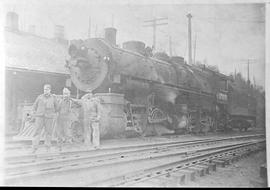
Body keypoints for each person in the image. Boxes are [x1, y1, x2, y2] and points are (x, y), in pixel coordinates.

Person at [31, 84, 58, 153]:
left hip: (49, 118)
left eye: (47, 89)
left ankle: (48, 147)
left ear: (50, 90)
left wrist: (53, 114)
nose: (45, 91)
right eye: (44, 89)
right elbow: (34, 106)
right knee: (37, 132)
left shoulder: (53, 98)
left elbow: (57, 108)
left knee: (48, 133)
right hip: (39, 117)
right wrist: (34, 113)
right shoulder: (39, 97)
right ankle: (34, 148)